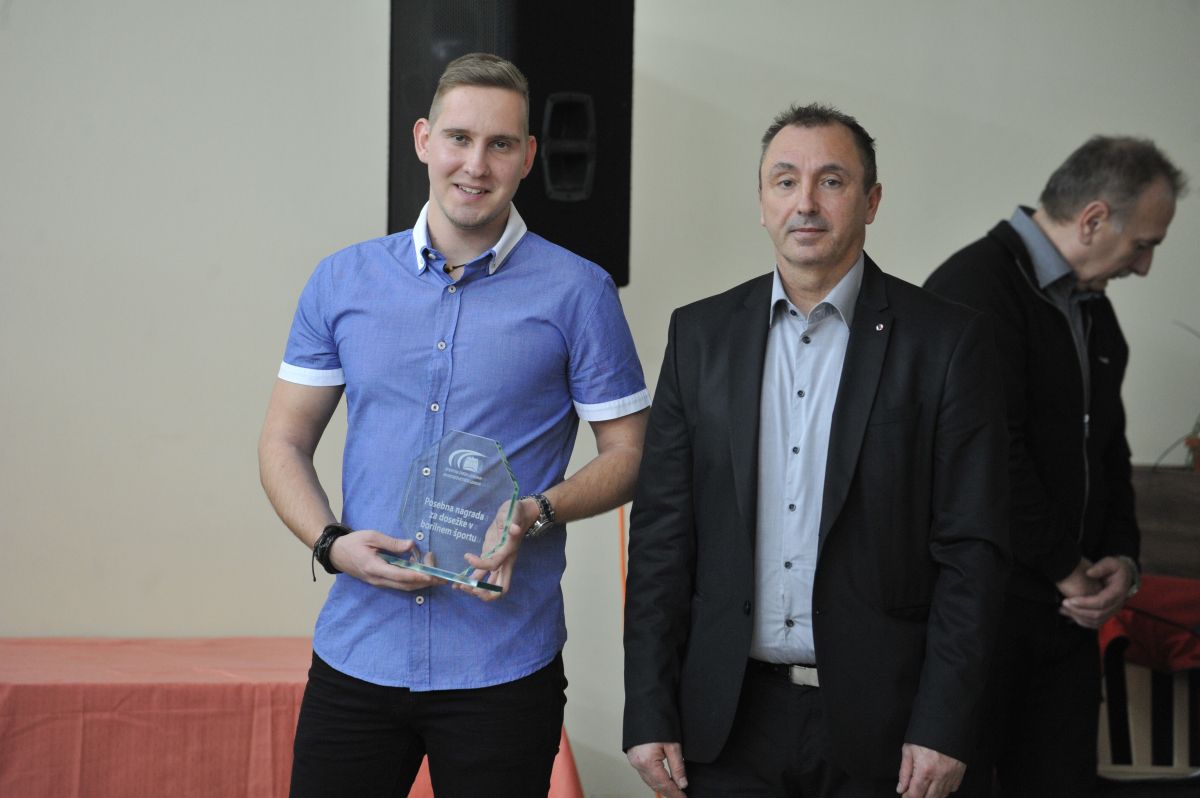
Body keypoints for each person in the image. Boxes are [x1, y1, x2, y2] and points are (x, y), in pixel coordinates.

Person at [258, 52, 649, 797]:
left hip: (503, 665)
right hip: (358, 654)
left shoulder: (580, 292)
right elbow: (283, 441)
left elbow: (632, 452)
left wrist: (537, 511)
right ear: (423, 140)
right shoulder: (341, 281)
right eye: (459, 138)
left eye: (500, 144)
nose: (476, 164)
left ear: (528, 156)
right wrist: (331, 544)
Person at [622, 103, 1010, 798]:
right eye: (784, 181)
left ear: (872, 201)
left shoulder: (946, 342)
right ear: (761, 203)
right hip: (727, 722)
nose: (805, 202)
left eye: (831, 181)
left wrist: (945, 722)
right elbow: (660, 540)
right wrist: (648, 709)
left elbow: (972, 550)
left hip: (888, 729)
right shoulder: (700, 336)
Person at [924, 136, 1187, 798]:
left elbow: (1110, 451)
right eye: (1143, 245)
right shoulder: (972, 288)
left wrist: (1122, 562)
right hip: (982, 622)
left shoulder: (1092, 308)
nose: (1145, 266)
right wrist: (1068, 568)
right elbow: (986, 459)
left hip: (1068, 619)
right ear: (1093, 219)